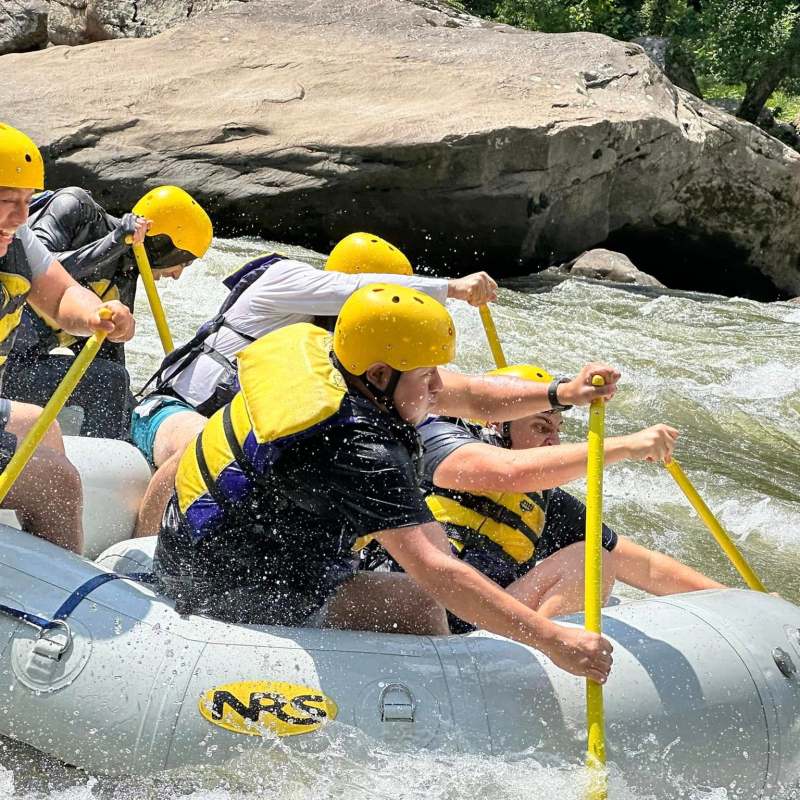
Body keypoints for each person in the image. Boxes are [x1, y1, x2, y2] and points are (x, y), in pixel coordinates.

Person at [155, 284, 621, 683]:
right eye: (427, 374)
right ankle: (452, 697)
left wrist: (560, 393)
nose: (438, 385)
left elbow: (471, 396)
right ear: (381, 375)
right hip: (232, 591)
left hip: (186, 551)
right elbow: (437, 570)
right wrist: (551, 639)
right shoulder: (357, 447)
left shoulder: (322, 355)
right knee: (418, 603)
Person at [131, 231, 499, 535]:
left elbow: (433, 393)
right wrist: (450, 288)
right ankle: (144, 548)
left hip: (240, 440)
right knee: (200, 441)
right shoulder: (287, 278)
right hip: (169, 411)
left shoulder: (352, 351)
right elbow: (354, 286)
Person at [412, 363, 725, 631]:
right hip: (415, 612)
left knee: (591, 559)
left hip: (480, 630)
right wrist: (624, 446)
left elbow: (647, 567)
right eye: (540, 426)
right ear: (495, 422)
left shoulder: (546, 502)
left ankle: (533, 669)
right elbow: (508, 471)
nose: (554, 440)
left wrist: (736, 599)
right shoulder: (434, 441)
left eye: (557, 429)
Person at [0, 122, 135, 552]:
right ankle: (59, 608)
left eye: (26, 202)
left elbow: (60, 297)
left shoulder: (16, 238)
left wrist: (98, 316)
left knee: (44, 426)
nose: (20, 218)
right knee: (57, 484)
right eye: (6, 201)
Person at [2, 184, 212, 439]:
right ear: (163, 243)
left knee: (112, 378)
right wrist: (114, 243)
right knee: (108, 381)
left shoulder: (123, 276)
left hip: (22, 369)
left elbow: (110, 362)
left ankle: (117, 454)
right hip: (10, 366)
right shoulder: (75, 207)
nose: (177, 274)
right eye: (184, 260)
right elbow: (40, 267)